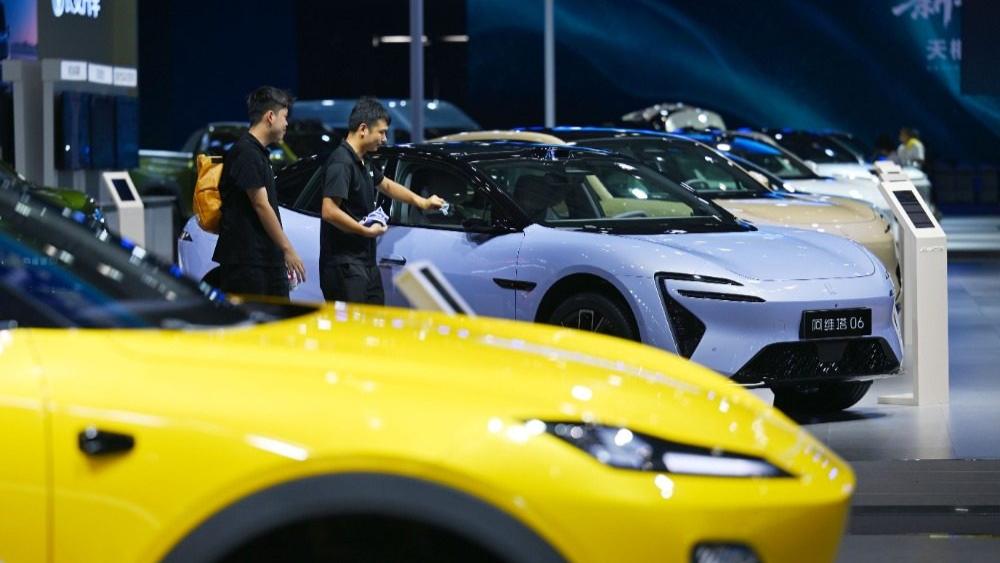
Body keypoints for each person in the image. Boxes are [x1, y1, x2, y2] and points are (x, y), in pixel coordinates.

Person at [320, 97, 445, 304]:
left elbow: (386, 185)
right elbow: (329, 211)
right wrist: (365, 231)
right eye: (381, 132)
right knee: (353, 324)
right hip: (345, 266)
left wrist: (422, 202)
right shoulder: (341, 162)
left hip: (365, 262)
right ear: (363, 129)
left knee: (374, 321)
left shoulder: (363, 159)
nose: (385, 139)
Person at [212, 86, 306, 298]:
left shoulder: (256, 152)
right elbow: (261, 205)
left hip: (260, 261)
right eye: (284, 117)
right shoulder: (247, 153)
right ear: (270, 117)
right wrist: (288, 249)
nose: (287, 124)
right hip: (248, 265)